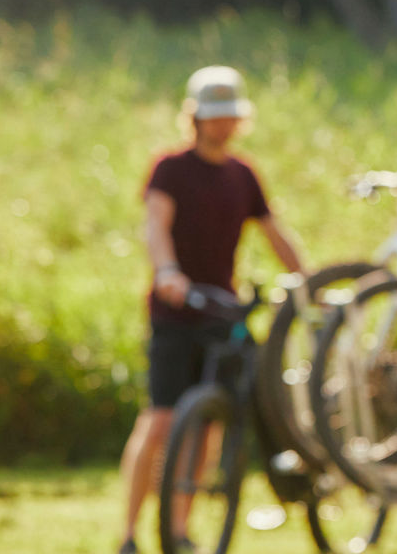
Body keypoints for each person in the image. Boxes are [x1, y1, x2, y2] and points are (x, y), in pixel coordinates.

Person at [117, 66, 306, 554]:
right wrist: (167, 273)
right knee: (160, 420)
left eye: (229, 117)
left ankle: (178, 531)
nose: (221, 126)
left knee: (208, 429)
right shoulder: (171, 169)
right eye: (212, 117)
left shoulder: (242, 175)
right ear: (195, 117)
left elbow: (274, 231)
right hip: (175, 311)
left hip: (221, 313)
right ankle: (129, 534)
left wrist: (308, 281)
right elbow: (156, 225)